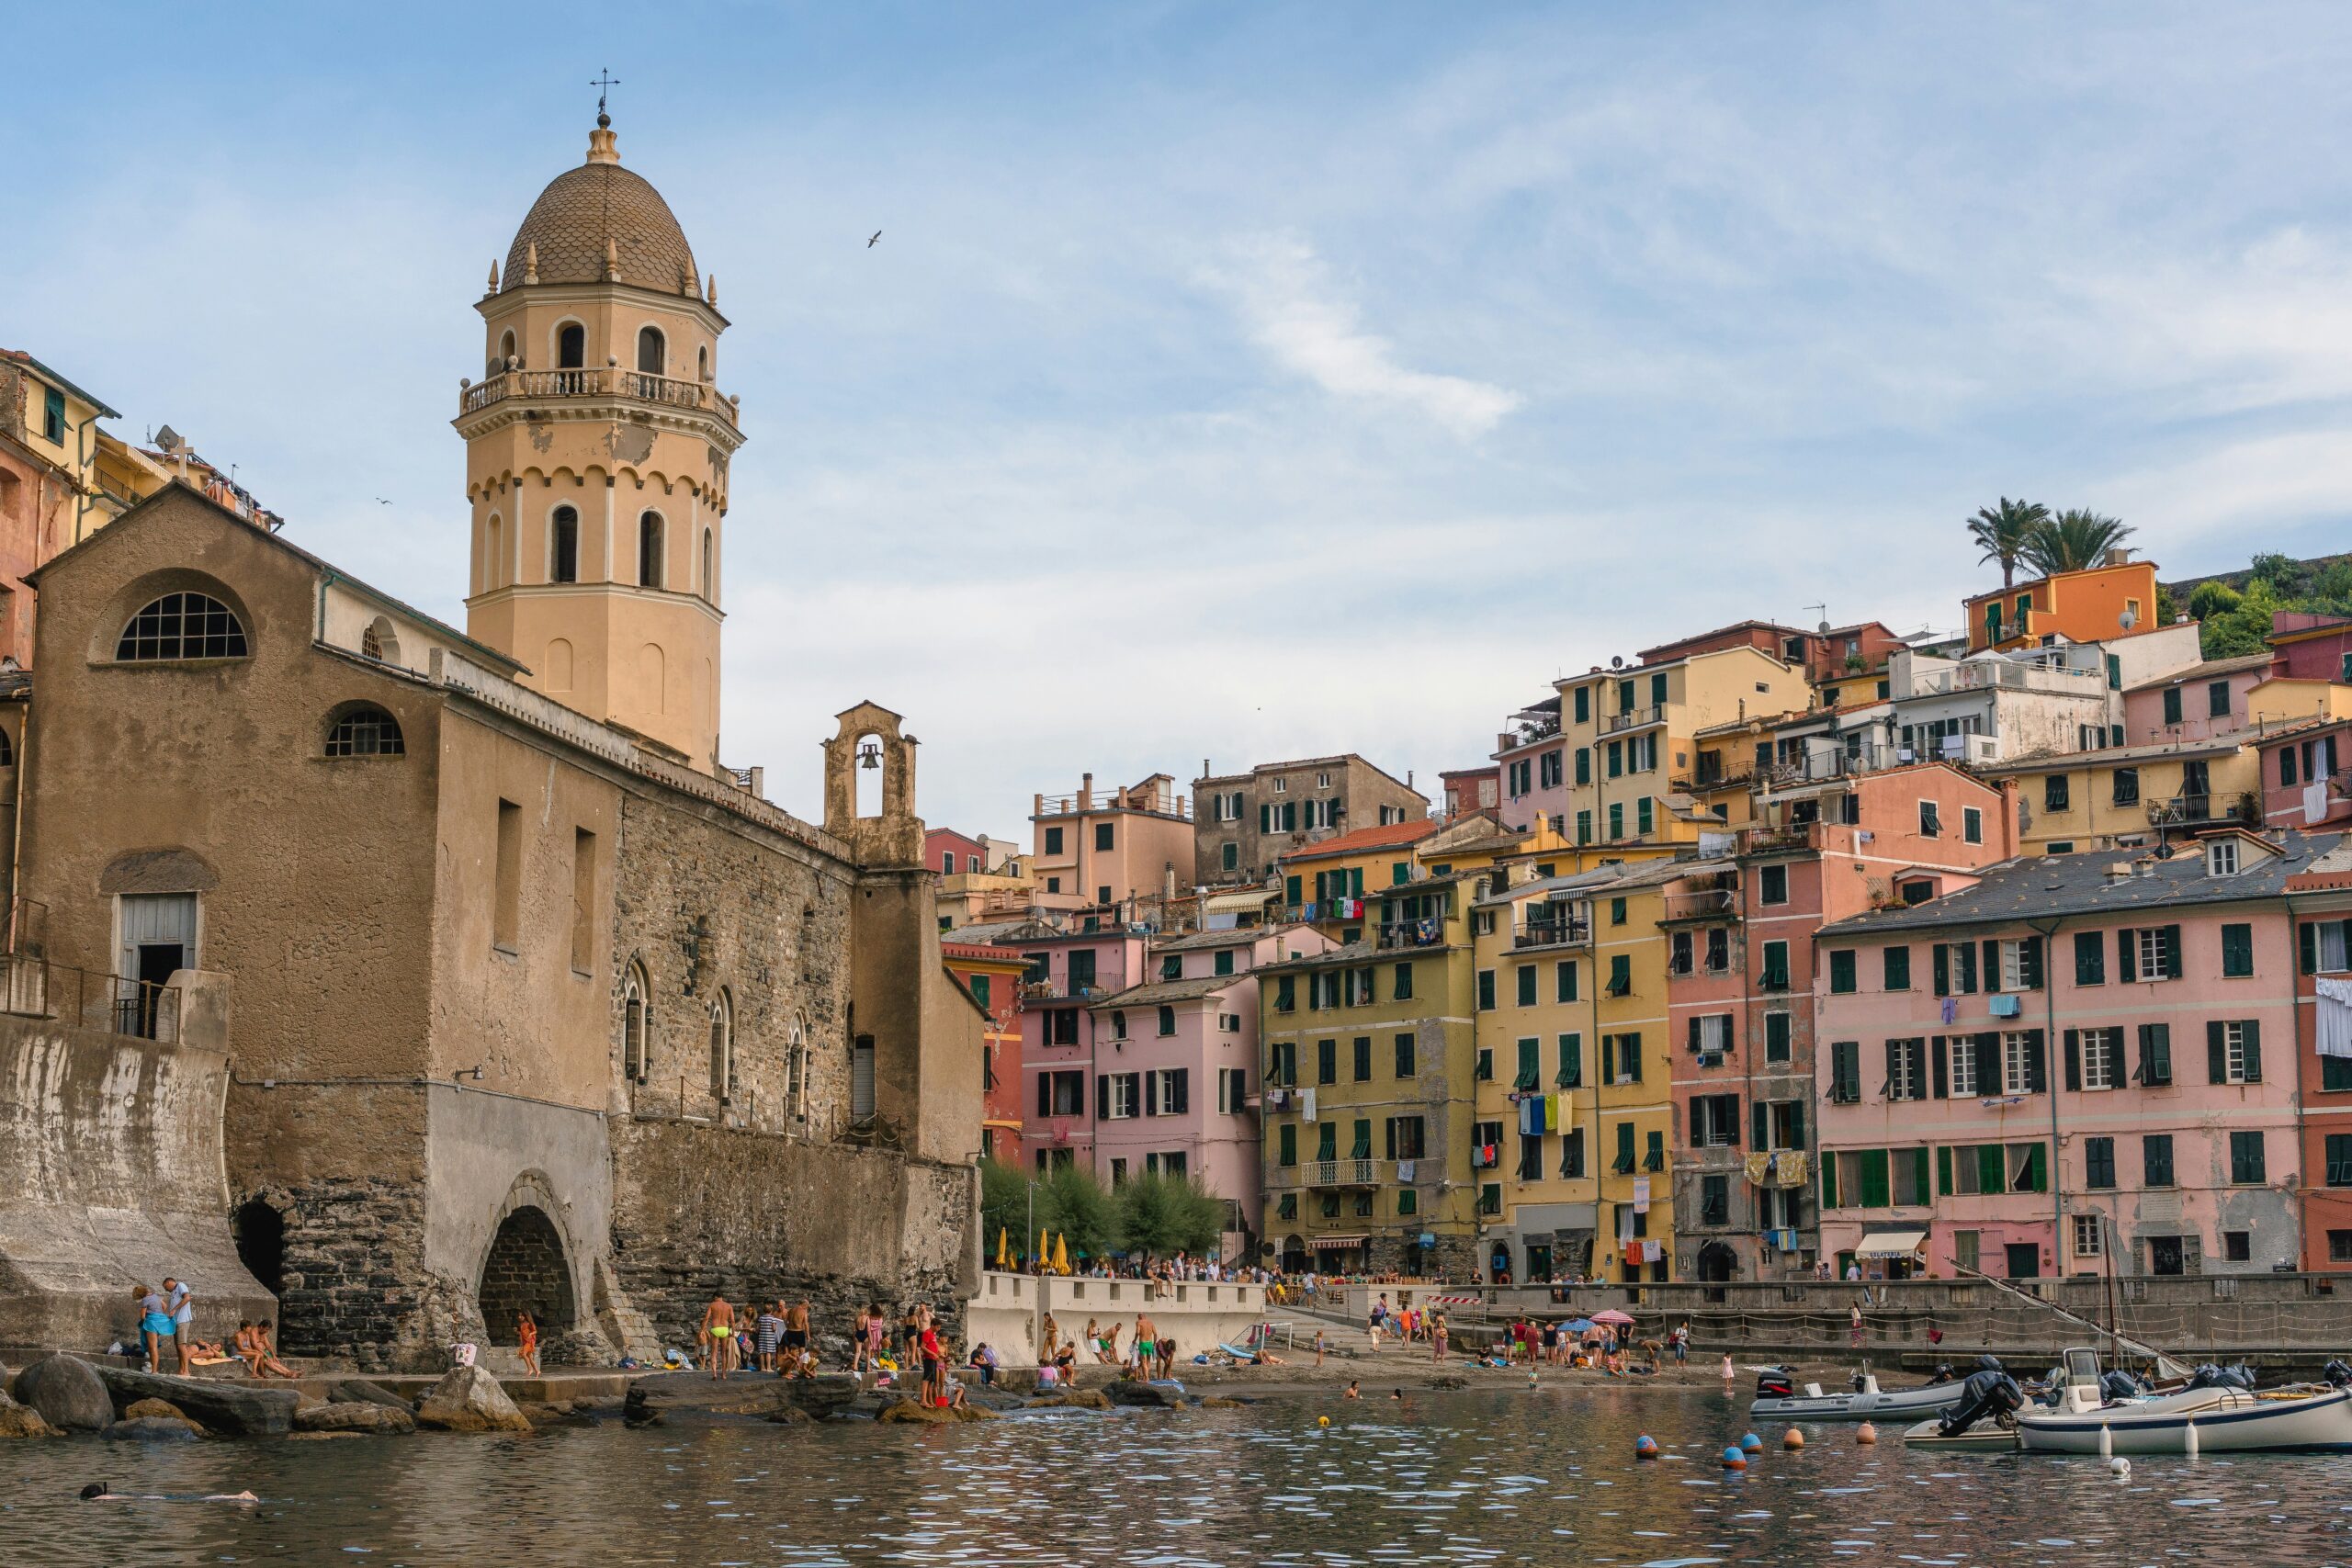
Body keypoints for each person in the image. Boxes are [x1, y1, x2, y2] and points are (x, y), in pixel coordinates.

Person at [134, 1283, 171, 1374]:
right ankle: (153, 1369)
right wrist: (158, 1314)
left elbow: (142, 1316)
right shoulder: (155, 1296)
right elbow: (165, 1306)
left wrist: (151, 1316)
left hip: (151, 1323)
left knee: (152, 1347)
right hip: (160, 1322)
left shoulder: (145, 1300)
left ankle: (154, 1371)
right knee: (152, 1347)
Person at [164, 1278, 195, 1376]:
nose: (166, 1290)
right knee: (178, 1347)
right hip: (176, 1322)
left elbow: (187, 1298)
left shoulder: (180, 1285)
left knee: (182, 1346)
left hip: (183, 1320)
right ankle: (181, 1370)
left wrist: (174, 1309)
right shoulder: (173, 1292)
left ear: (169, 1282)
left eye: (165, 1287)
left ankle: (186, 1371)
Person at [700, 1294, 735, 1380]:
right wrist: (733, 1333)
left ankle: (714, 1374)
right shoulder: (728, 1306)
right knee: (723, 1353)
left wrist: (702, 1329)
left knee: (714, 1352)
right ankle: (723, 1375)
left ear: (715, 1297)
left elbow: (706, 1318)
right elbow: (733, 1321)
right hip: (725, 1329)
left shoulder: (712, 1305)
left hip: (715, 1328)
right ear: (722, 1297)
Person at [755, 1304, 785, 1373]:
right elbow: (774, 1328)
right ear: (771, 1311)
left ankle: (762, 1367)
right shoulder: (772, 1318)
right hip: (770, 1337)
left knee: (762, 1352)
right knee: (768, 1352)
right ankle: (768, 1367)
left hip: (762, 1337)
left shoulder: (761, 1318)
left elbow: (758, 1329)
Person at [784, 1299, 812, 1371]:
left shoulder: (791, 1310)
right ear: (804, 1304)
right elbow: (806, 1324)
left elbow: (784, 1320)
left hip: (790, 1331)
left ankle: (790, 1368)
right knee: (802, 1349)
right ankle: (801, 1367)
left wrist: (787, 1326)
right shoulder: (804, 1311)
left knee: (791, 1351)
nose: (807, 1308)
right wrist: (808, 1335)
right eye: (807, 1306)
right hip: (799, 1332)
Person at [516, 1311, 541, 1377]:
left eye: (521, 1316)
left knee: (524, 1354)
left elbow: (535, 1331)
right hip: (525, 1343)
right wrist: (521, 1344)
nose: (519, 1317)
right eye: (519, 1315)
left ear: (525, 1316)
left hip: (529, 1342)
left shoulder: (530, 1324)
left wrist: (531, 1334)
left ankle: (530, 1369)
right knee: (530, 1358)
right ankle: (537, 1371)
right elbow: (521, 1335)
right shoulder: (521, 1325)